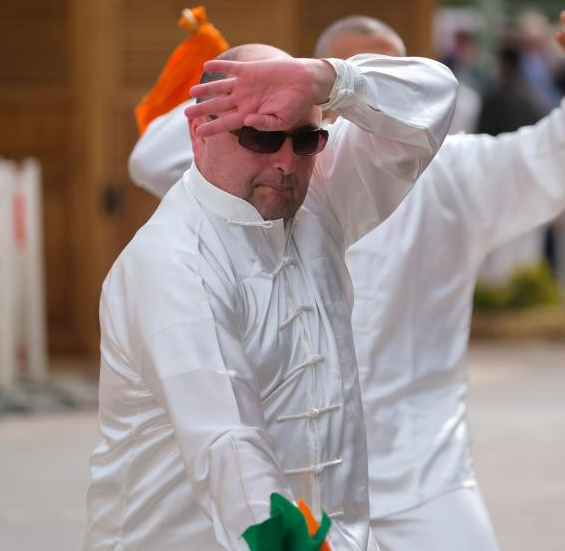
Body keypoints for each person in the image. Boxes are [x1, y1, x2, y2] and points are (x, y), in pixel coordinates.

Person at [127, 5, 565, 551]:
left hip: (422, 474)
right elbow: (153, 157)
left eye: (380, 73)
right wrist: (240, 93)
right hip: (298, 476)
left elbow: (544, 159)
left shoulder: (452, 173)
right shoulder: (284, 171)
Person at [87, 43, 457, 551]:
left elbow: (433, 100)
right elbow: (226, 446)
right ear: (199, 131)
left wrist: (328, 79)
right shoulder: (172, 264)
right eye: (260, 136)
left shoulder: (315, 201)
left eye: (305, 139)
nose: (286, 161)